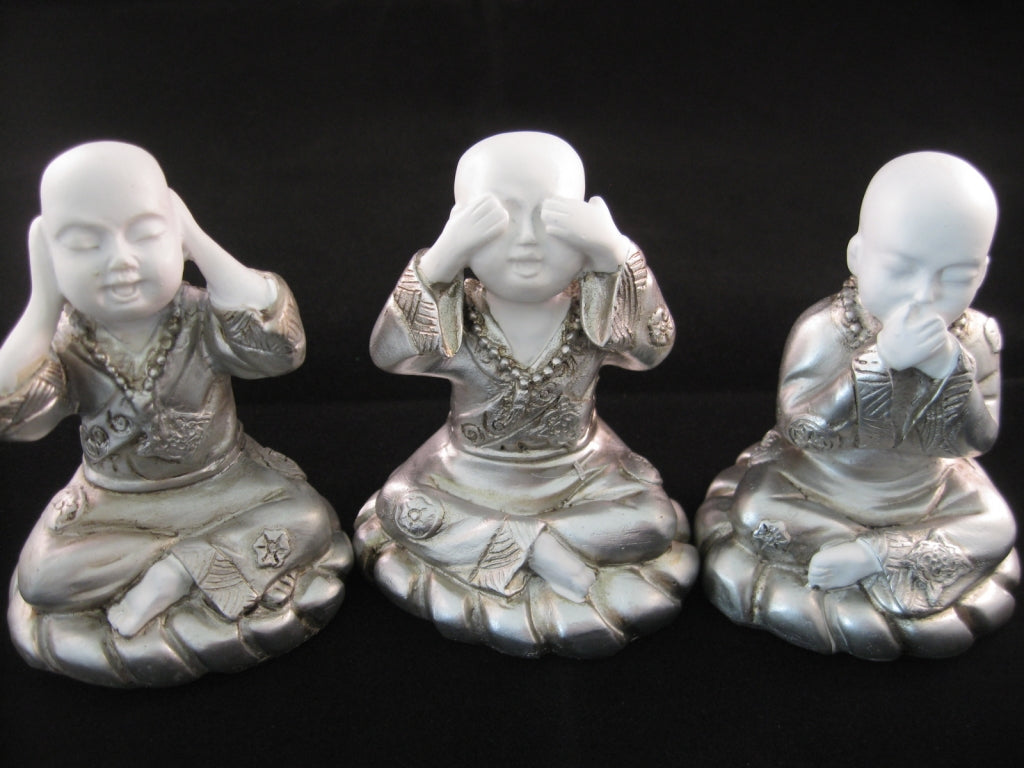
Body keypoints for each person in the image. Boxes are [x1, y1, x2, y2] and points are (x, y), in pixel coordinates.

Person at [1, 141, 351, 686]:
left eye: (145, 234)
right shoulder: (67, 340)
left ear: (175, 233)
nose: (121, 261)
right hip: (112, 504)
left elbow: (280, 350)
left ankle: (177, 573)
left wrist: (199, 243)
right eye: (85, 244)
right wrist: (44, 300)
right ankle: (198, 560)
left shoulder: (199, 317)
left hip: (224, 482)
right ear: (50, 252)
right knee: (42, 578)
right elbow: (21, 418)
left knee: (308, 517)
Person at [355, 131, 697, 658]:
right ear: (460, 225)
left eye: (551, 216)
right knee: (400, 504)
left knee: (654, 522)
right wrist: (439, 263)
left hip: (582, 469)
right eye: (499, 218)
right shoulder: (460, 317)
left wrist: (616, 256)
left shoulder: (593, 310)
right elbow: (388, 353)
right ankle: (537, 547)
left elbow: (653, 348)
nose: (527, 241)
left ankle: (504, 544)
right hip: (468, 468)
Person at [696, 151, 1018, 659]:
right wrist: (879, 362)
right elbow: (799, 429)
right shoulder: (826, 328)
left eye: (955, 277)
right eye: (901, 270)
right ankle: (897, 560)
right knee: (755, 508)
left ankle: (870, 555)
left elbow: (978, 442)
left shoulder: (976, 340)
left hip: (927, 489)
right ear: (858, 255)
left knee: (997, 525)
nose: (924, 295)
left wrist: (952, 372)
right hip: (821, 482)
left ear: (982, 273)